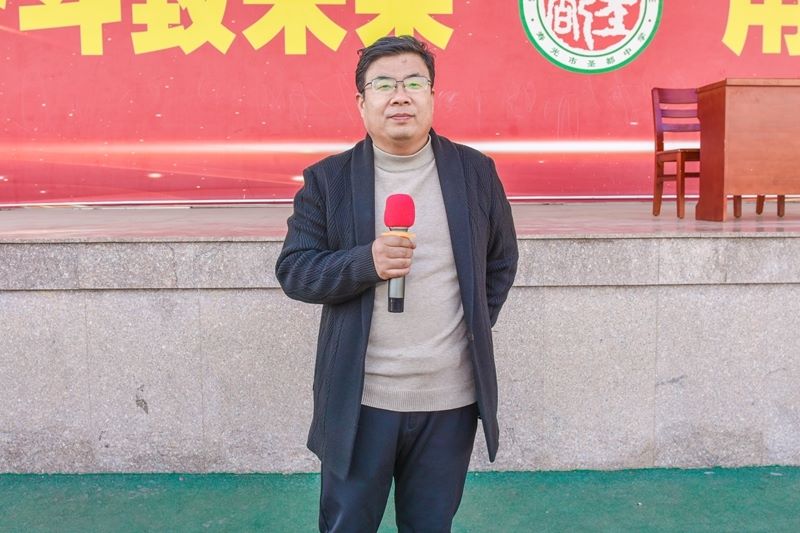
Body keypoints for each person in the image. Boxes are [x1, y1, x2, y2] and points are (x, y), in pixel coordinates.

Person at [275, 35, 518, 533]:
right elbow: (296, 271)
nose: (400, 96)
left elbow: (501, 261)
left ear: (433, 96)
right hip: (361, 401)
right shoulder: (328, 180)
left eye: (414, 83)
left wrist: (468, 326)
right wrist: (365, 262)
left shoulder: (475, 172)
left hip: (449, 399)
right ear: (361, 102)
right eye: (384, 85)